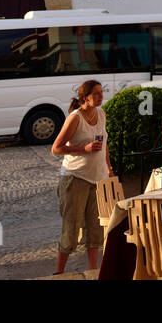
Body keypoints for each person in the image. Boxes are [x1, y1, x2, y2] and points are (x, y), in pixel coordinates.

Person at [50, 79, 114, 275]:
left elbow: (104, 144)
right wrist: (83, 149)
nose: (101, 96)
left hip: (98, 178)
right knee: (72, 226)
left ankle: (93, 271)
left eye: (101, 92)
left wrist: (109, 168)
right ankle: (59, 272)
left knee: (95, 228)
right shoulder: (75, 117)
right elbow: (56, 149)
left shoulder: (101, 113)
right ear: (85, 97)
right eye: (96, 93)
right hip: (75, 178)